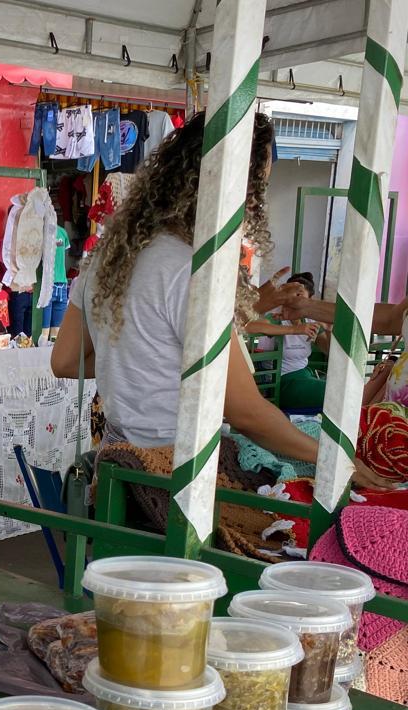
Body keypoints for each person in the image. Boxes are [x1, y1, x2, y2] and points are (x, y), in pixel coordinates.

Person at [50, 112, 388, 490]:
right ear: (231, 185)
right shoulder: (191, 271)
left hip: (116, 463)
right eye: (259, 185)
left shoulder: (108, 257)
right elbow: (245, 412)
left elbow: (65, 361)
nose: (257, 202)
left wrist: (142, 361)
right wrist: (335, 461)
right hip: (177, 473)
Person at [241, 270, 327, 409]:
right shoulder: (276, 318)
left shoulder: (310, 321)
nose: (294, 300)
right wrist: (294, 330)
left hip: (304, 375)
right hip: (281, 382)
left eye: (300, 296)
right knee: (332, 394)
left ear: (310, 301)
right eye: (291, 294)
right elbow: (248, 327)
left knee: (339, 388)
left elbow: (328, 349)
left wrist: (328, 328)